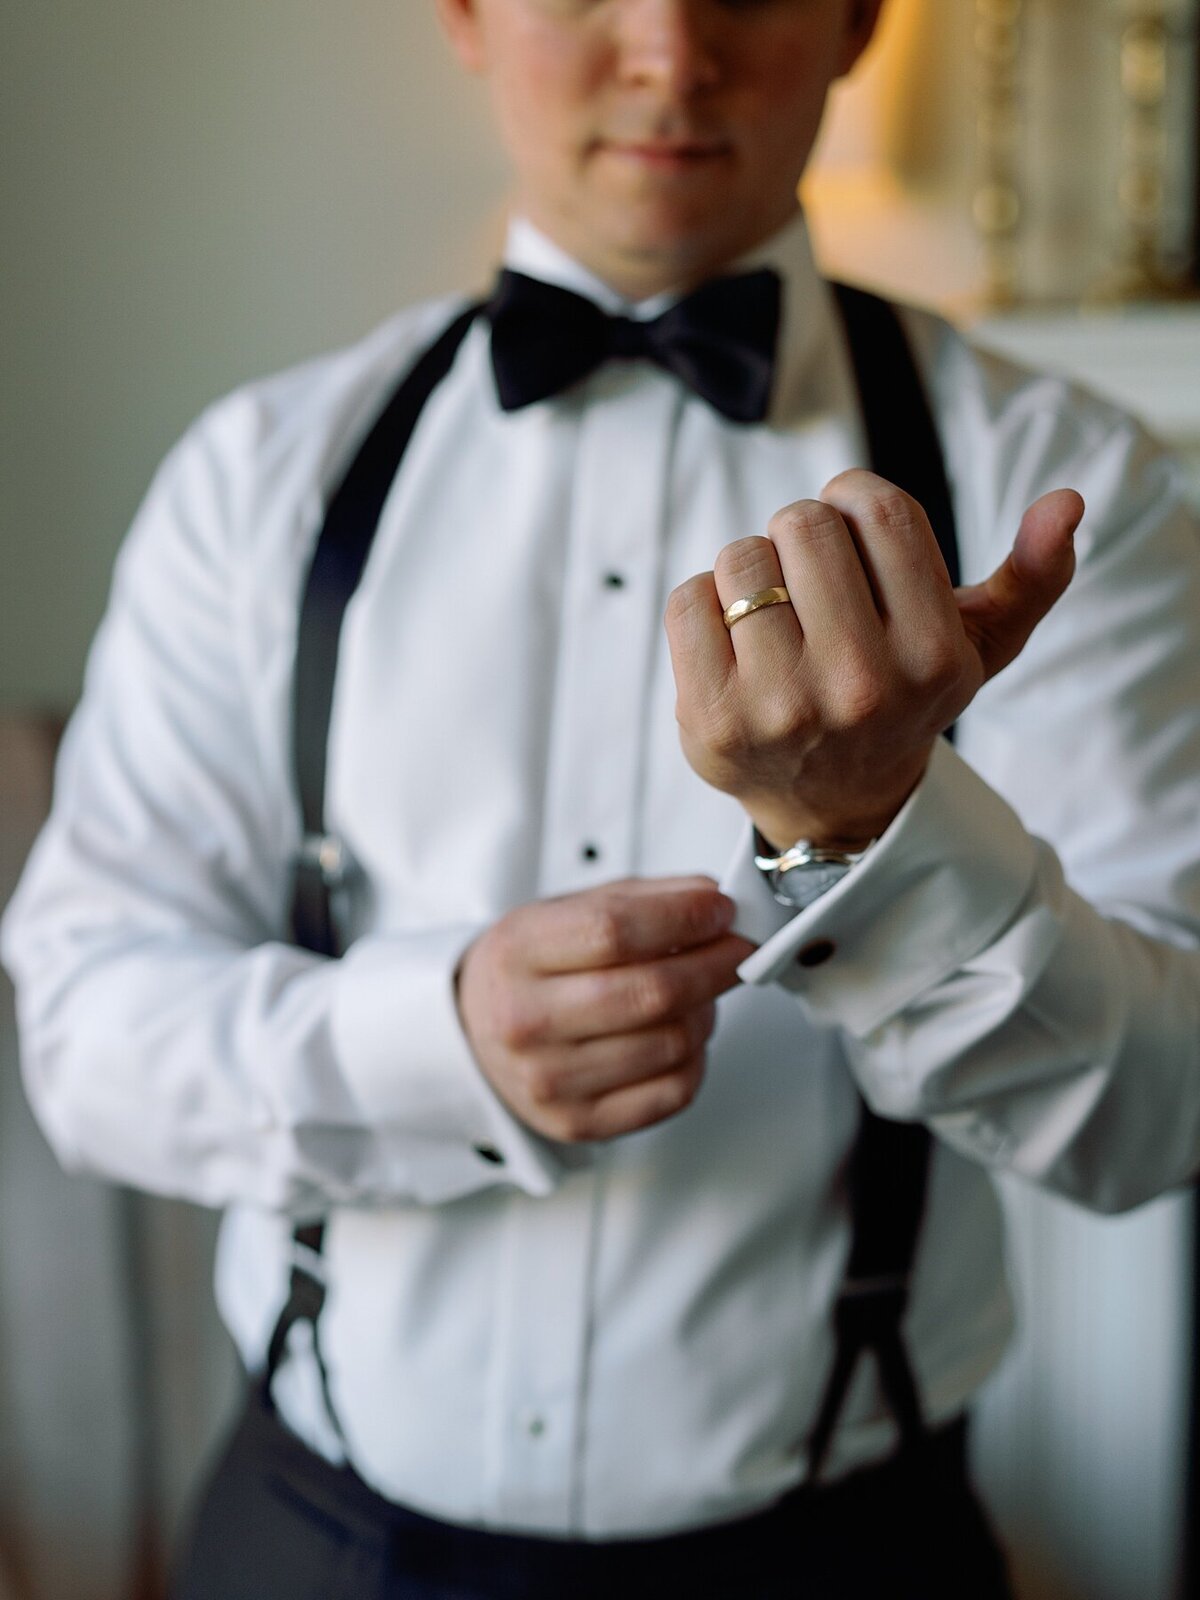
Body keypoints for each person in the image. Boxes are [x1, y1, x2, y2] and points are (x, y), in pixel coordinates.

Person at [4, 1, 1200, 1595]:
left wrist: (876, 843)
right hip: (313, 1534)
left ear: (855, 20)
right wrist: (439, 1044)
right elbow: (85, 1035)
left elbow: (1163, 1113)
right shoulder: (257, 479)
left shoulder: (1072, 482)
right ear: (466, 14)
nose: (670, 50)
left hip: (841, 1555)